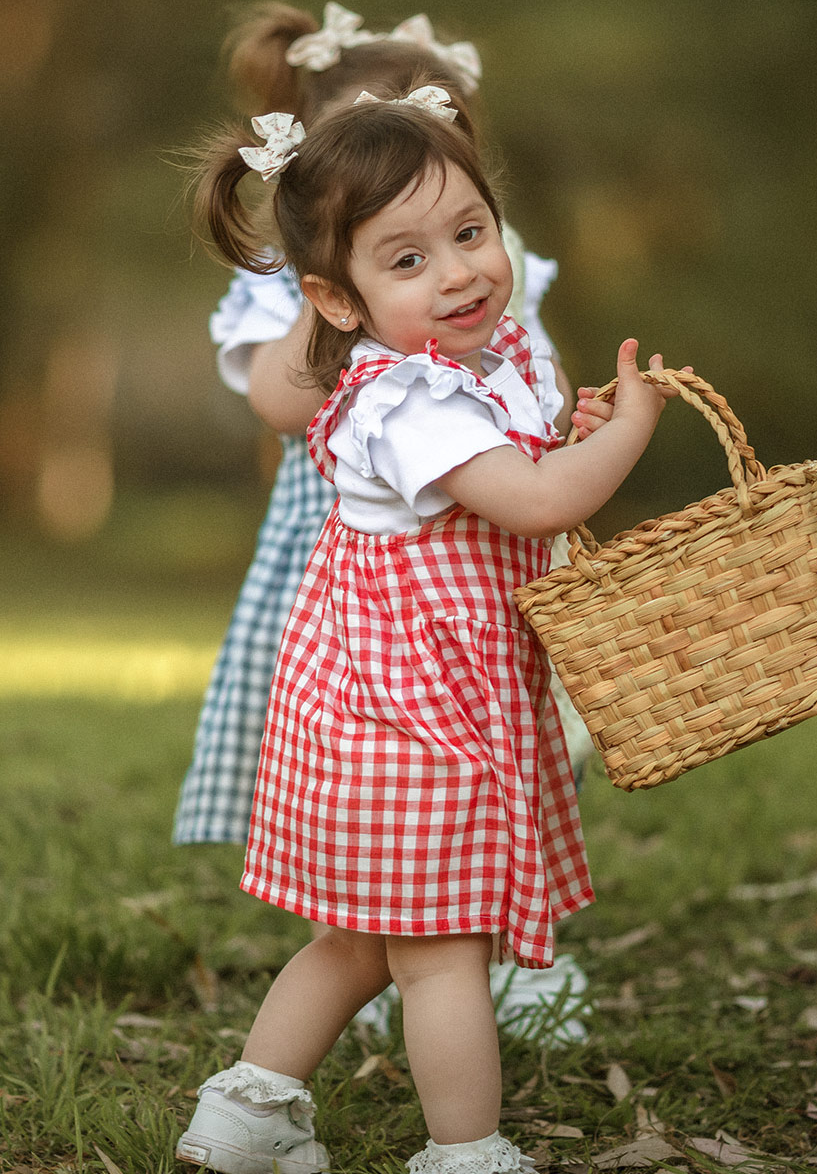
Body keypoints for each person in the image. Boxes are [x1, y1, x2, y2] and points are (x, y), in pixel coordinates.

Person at [173, 86, 674, 1174]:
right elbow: (540, 505)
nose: (457, 271)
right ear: (336, 300)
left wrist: (567, 430)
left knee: (357, 938)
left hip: (389, 708)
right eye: (406, 260)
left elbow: (525, 470)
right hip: (413, 717)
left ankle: (247, 1111)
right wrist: (628, 431)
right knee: (444, 952)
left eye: (470, 231)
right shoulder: (409, 398)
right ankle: (467, 1149)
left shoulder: (472, 375)